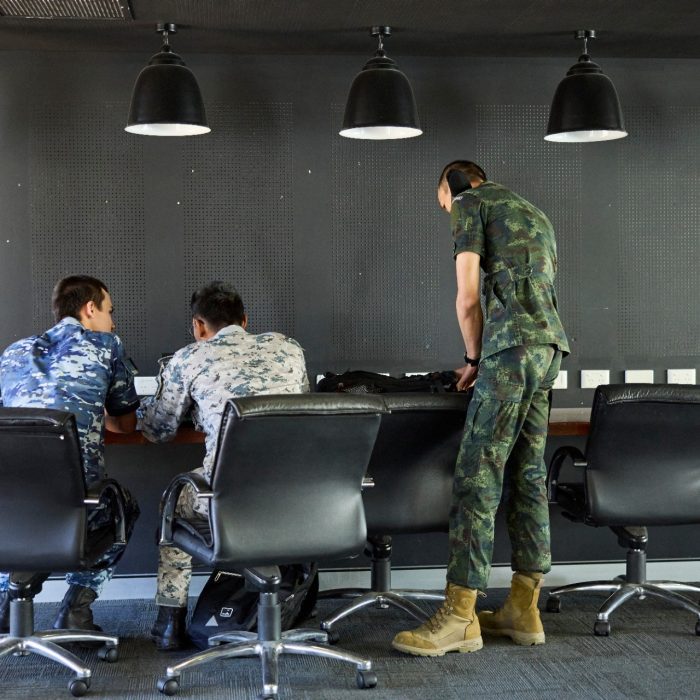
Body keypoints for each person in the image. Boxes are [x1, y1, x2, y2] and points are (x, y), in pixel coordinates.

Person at [393, 161, 569, 656]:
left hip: (509, 350)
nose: (447, 211)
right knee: (527, 471)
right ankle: (523, 607)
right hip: (549, 349)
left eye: (442, 201)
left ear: (453, 185)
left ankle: (459, 617)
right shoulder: (534, 214)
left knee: (477, 474)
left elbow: (468, 297)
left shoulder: (472, 203)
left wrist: (473, 358)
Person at [138, 281, 310, 650]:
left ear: (199, 326)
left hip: (226, 497)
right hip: (297, 494)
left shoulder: (189, 358)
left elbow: (157, 430)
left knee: (174, 502)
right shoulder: (289, 349)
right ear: (245, 321)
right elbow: (300, 409)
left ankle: (169, 621)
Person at [0, 275, 140, 635]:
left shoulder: (13, 352)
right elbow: (124, 426)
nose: (112, 320)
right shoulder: (106, 346)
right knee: (121, 508)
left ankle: (7, 601)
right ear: (89, 309)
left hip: (12, 508)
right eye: (110, 311)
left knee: (37, 519)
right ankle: (76, 610)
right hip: (75, 506)